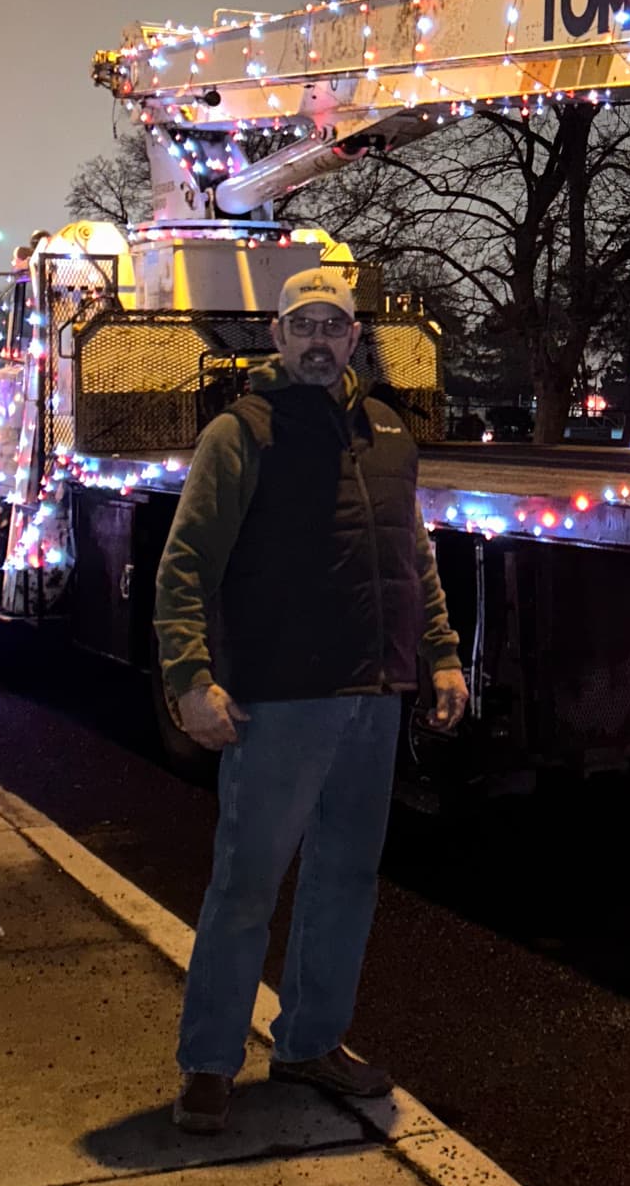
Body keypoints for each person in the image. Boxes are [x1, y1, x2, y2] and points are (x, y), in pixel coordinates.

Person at [154, 264, 468, 1130]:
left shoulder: (388, 434)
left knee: (344, 878)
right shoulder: (241, 434)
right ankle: (209, 1064)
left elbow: (415, 562)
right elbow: (185, 567)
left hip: (374, 694)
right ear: (279, 339)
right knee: (246, 884)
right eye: (305, 327)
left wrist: (439, 657)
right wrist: (191, 679)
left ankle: (310, 1042)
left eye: (336, 326)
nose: (321, 341)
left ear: (356, 338)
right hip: (280, 698)